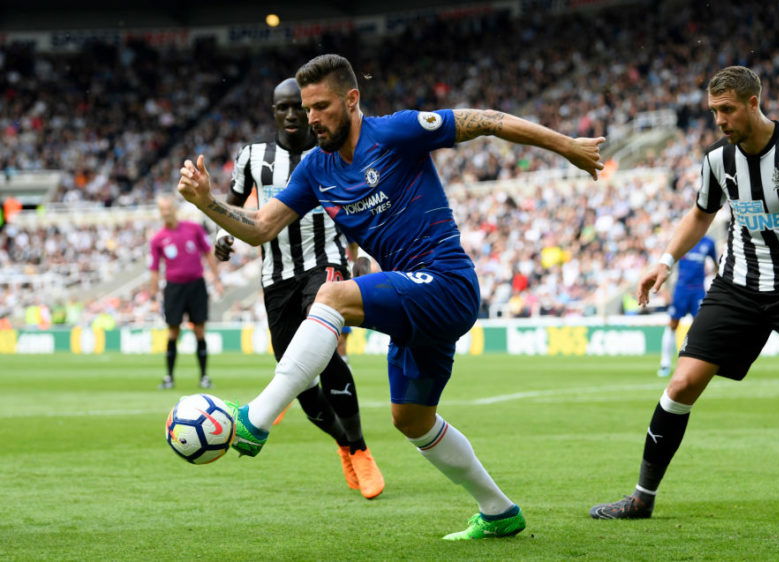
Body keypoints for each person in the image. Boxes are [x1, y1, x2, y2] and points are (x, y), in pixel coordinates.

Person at [177, 53, 604, 540]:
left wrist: (568, 146)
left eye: (321, 106)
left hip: (446, 282)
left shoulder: (397, 132)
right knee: (412, 420)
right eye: (306, 107)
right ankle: (499, 511)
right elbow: (259, 229)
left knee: (333, 296)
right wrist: (206, 202)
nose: (311, 118)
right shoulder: (315, 169)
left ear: (352, 100)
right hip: (411, 299)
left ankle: (255, 419)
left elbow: (489, 121)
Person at [589, 65, 779, 526]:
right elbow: (700, 215)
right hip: (737, 285)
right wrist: (664, 262)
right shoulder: (717, 159)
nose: (720, 120)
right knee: (680, 385)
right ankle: (640, 499)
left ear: (753, 103)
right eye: (714, 111)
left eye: (727, 110)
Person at [214, 78, 383, 499]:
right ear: (273, 111)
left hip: (323, 263)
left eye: (298, 107)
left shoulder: (329, 148)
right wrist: (228, 237)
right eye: (283, 108)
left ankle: (361, 449)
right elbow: (234, 205)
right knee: (297, 377)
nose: (292, 115)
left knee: (324, 352)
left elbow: (352, 201)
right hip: (275, 276)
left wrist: (357, 253)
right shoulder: (253, 156)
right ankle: (343, 444)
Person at [149, 194, 223, 390]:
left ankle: (204, 376)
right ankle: (169, 377)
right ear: (160, 213)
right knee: (173, 332)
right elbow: (155, 269)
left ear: (175, 209)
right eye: (162, 209)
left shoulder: (194, 228)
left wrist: (217, 279)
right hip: (173, 288)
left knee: (199, 330)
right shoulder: (157, 239)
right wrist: (153, 296)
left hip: (196, 285)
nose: (166, 212)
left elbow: (208, 253)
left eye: (168, 208)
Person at [657, 235, 718, 377]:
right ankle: (665, 363)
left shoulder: (709, 243)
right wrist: (665, 289)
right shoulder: (683, 238)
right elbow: (668, 264)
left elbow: (716, 265)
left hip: (698, 291)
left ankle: (702, 363)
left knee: (701, 327)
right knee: (673, 324)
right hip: (681, 289)